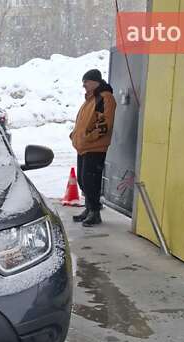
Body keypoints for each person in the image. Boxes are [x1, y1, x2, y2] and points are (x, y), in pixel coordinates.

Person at [69, 69, 116, 227]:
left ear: (95, 81)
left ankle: (95, 212)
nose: (84, 85)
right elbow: (83, 122)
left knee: (90, 181)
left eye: (86, 82)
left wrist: (88, 137)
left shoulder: (105, 98)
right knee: (83, 181)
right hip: (84, 146)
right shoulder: (90, 99)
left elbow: (105, 124)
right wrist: (75, 135)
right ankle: (89, 208)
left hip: (95, 147)